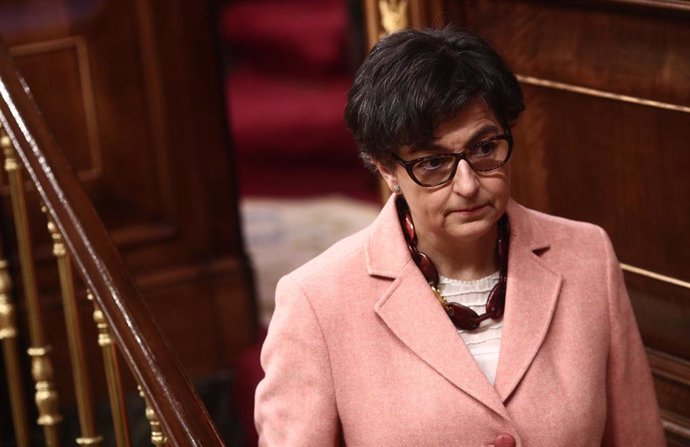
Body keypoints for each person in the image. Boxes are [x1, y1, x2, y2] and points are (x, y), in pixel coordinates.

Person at [254, 27, 665, 446]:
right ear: (386, 169)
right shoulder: (317, 299)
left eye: (484, 148)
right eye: (433, 162)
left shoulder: (586, 256)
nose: (468, 184)